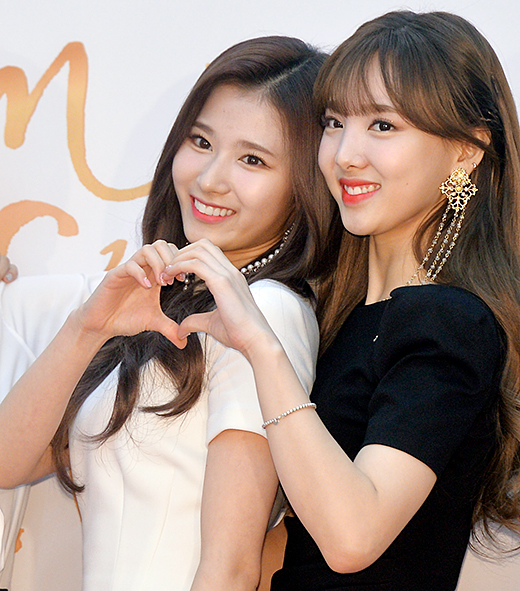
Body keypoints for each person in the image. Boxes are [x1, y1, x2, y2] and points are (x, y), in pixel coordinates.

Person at [162, 11, 520, 590]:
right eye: (334, 122)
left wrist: (262, 346)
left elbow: (352, 537)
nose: (346, 154)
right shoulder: (345, 318)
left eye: (382, 125)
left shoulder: (450, 322)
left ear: (465, 151)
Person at [0, 36, 330, 590]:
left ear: (302, 188)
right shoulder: (162, 303)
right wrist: (88, 326)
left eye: (252, 159)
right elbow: (9, 464)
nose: (210, 179)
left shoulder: (263, 312)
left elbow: (231, 567)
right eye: (201, 141)